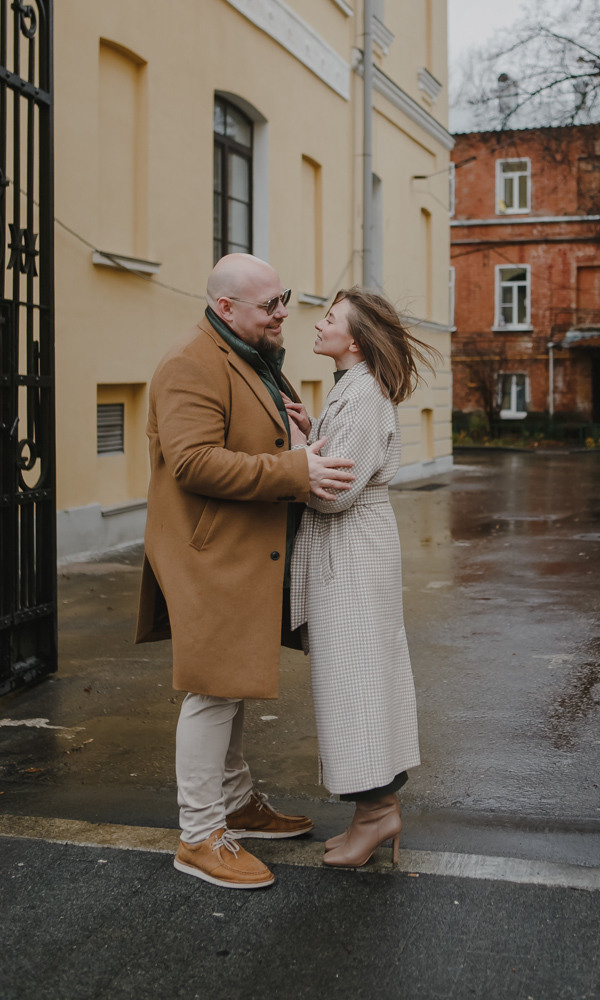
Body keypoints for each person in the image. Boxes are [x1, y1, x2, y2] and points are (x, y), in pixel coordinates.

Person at [135, 253, 355, 890]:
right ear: (226, 308)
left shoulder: (252, 356)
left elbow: (250, 438)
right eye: (270, 306)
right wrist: (295, 471)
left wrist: (297, 442)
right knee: (210, 691)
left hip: (243, 549)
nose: (284, 312)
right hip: (209, 554)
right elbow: (194, 463)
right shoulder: (190, 362)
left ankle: (235, 802)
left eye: (283, 299)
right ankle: (199, 834)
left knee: (228, 685)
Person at [288, 287, 440, 868]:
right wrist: (311, 431)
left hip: (350, 552)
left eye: (329, 318)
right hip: (350, 551)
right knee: (355, 679)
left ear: (352, 338)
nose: (318, 323)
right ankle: (371, 814)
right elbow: (337, 465)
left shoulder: (365, 393)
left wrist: (299, 459)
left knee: (356, 681)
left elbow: (334, 492)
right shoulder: (353, 389)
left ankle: (377, 815)